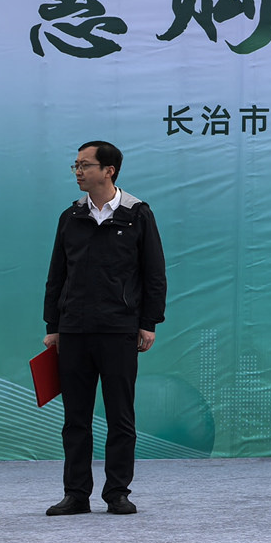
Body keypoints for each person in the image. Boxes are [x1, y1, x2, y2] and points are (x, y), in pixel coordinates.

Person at [43, 141, 166, 516]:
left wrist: (148, 323)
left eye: (85, 165)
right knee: (75, 419)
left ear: (109, 170)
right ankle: (76, 493)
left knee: (120, 417)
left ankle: (117, 493)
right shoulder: (71, 216)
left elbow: (154, 274)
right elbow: (56, 275)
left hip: (119, 329)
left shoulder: (137, 214)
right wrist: (53, 326)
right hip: (74, 330)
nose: (78, 172)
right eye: (76, 165)